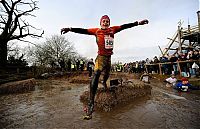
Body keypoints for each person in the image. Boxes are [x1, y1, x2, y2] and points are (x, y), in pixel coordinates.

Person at [61, 15, 148, 119]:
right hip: (101, 58)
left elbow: (124, 26)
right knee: (96, 73)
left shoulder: (113, 30)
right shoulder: (96, 31)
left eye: (107, 21)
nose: (105, 23)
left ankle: (103, 82)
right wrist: (70, 29)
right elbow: (83, 30)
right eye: (104, 21)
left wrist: (137, 23)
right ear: (100, 23)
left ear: (109, 23)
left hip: (109, 58)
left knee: (106, 75)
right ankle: (91, 102)